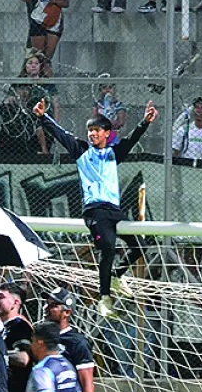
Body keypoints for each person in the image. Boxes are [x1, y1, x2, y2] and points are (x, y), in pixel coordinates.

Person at [33, 98, 158, 319]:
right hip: (95, 211)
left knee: (140, 246)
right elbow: (61, 134)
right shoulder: (81, 151)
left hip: (114, 211)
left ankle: (117, 275)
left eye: (96, 130)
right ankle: (104, 298)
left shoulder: (113, 153)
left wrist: (145, 122)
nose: (92, 134)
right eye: (90, 130)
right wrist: (43, 117)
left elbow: (131, 139)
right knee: (108, 248)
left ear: (107, 133)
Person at [0, 51, 58, 158]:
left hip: (42, 123)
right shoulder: (8, 105)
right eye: (30, 63)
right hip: (15, 134)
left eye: (36, 63)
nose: (33, 66)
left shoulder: (47, 84)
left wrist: (54, 125)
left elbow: (55, 105)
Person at [0, 282, 33, 392]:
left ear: (16, 302)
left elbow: (23, 358)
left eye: (1, 297)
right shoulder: (3, 328)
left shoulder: (20, 327)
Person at [23, 0, 69, 71]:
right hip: (38, 19)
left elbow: (66, 3)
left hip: (54, 21)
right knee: (38, 56)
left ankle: (46, 76)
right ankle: (35, 75)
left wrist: (55, 0)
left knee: (47, 57)